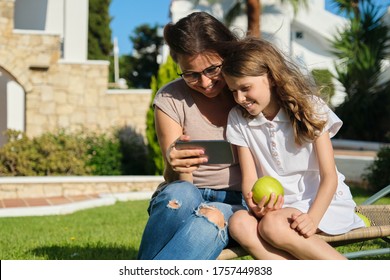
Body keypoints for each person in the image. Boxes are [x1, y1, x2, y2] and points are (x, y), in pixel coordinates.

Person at [221, 37, 365, 260]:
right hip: (277, 209)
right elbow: (249, 179)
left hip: (323, 203)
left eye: (245, 88)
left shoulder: (310, 107)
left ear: (270, 77)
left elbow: (329, 177)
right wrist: (254, 204)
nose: (239, 98)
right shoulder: (238, 119)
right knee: (239, 223)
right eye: (233, 91)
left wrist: (313, 218)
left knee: (272, 226)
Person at [137, 12, 246, 260]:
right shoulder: (170, 99)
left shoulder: (244, 93)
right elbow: (176, 180)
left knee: (211, 217)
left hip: (236, 202)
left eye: (212, 69)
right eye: (191, 74)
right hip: (187, 191)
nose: (205, 82)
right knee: (179, 196)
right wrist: (175, 163)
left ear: (227, 55)